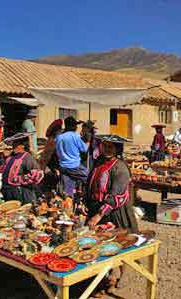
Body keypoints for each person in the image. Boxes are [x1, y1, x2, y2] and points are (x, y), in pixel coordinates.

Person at [85, 134, 138, 294]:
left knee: (120, 243)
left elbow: (117, 196)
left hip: (115, 211)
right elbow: (90, 184)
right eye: (105, 146)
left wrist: (98, 215)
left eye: (111, 147)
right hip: (96, 208)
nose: (107, 149)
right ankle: (104, 277)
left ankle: (122, 274)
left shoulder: (120, 168)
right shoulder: (98, 162)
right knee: (98, 245)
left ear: (117, 149)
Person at [0, 133, 44, 203]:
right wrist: (3, 157)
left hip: (20, 192)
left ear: (22, 145)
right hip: (7, 192)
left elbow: (38, 175)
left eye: (16, 144)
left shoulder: (27, 157)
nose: (13, 146)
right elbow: (2, 170)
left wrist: (18, 179)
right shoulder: (10, 157)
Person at [55, 116, 90, 196]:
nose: (77, 127)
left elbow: (57, 152)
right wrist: (88, 141)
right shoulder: (75, 136)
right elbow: (84, 149)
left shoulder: (59, 137)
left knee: (68, 191)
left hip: (63, 167)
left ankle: (69, 203)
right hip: (74, 166)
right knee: (90, 178)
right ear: (73, 126)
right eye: (76, 125)